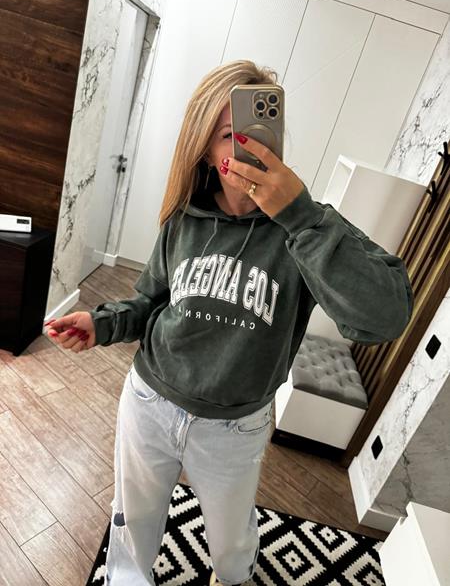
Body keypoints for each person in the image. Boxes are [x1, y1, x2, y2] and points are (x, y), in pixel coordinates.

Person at [45, 60, 414, 586]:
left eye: (258, 130)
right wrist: (101, 324)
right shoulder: (183, 219)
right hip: (149, 403)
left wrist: (301, 216)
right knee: (133, 522)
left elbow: (387, 316)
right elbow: (150, 302)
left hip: (234, 429)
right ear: (205, 150)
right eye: (228, 135)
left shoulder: (307, 230)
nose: (246, 147)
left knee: (231, 540)